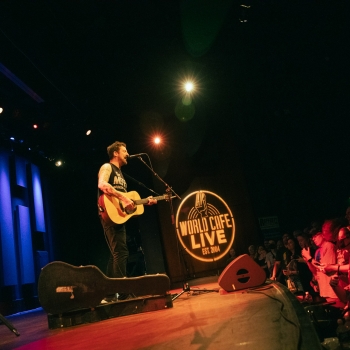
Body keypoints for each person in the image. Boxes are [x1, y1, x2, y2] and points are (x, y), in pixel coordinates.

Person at [97, 141, 157, 301]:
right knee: (121, 252)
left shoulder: (121, 174)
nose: (127, 153)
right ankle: (122, 293)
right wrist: (123, 197)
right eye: (124, 150)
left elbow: (128, 204)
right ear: (115, 153)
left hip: (118, 215)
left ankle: (108, 295)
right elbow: (102, 184)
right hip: (108, 213)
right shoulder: (107, 167)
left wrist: (145, 201)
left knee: (116, 253)